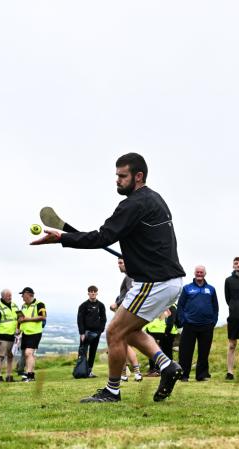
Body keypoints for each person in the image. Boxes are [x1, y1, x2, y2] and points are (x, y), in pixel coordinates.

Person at [31, 152, 187, 403]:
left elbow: (102, 237)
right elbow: (128, 238)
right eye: (116, 175)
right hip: (165, 280)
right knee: (130, 329)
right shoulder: (154, 199)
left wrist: (61, 238)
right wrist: (133, 261)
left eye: (122, 176)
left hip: (154, 282)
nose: (117, 180)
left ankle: (112, 391)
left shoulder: (133, 204)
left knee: (114, 331)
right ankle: (167, 366)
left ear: (138, 176)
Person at [176, 265, 219, 382]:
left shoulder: (211, 289)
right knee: (185, 351)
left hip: (206, 325)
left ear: (205, 274)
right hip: (189, 325)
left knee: (204, 351)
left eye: (201, 272)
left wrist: (213, 321)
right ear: (194, 273)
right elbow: (180, 306)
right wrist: (183, 320)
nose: (199, 274)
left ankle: (201, 375)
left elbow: (215, 307)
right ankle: (183, 375)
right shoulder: (187, 288)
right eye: (197, 272)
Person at [111, 258, 142, 382]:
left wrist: (119, 305)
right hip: (129, 313)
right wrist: (117, 302)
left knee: (119, 342)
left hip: (126, 313)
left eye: (121, 263)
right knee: (124, 344)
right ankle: (132, 373)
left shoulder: (130, 276)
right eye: (118, 263)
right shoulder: (130, 277)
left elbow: (131, 293)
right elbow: (125, 294)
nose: (119, 265)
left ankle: (128, 373)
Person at [77, 286, 107, 377]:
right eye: (91, 292)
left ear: (97, 293)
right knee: (83, 352)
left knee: (93, 352)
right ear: (88, 293)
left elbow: (103, 319)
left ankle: (89, 371)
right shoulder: (83, 305)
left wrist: (100, 330)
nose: (93, 293)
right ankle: (80, 371)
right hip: (85, 333)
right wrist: (82, 333)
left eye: (94, 291)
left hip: (96, 333)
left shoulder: (101, 305)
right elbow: (80, 320)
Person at [18, 287, 46, 382]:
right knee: (28, 355)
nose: (22, 296)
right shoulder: (23, 306)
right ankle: (30, 374)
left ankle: (30, 376)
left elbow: (43, 316)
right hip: (25, 333)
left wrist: (27, 319)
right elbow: (21, 319)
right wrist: (19, 327)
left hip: (35, 333)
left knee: (28, 353)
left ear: (29, 294)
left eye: (23, 294)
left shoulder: (40, 304)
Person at [0, 289, 19, 382]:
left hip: (13, 337)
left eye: (10, 295)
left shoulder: (15, 306)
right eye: (8, 295)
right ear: (2, 296)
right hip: (2, 337)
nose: (10, 297)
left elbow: (20, 319)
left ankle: (9, 376)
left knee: (11, 357)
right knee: (0, 356)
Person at [143, 305, 177, 377]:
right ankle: (154, 370)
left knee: (159, 351)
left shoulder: (170, 305)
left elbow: (171, 320)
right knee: (155, 351)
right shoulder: (158, 303)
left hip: (161, 331)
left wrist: (167, 332)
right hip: (153, 329)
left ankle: (159, 370)